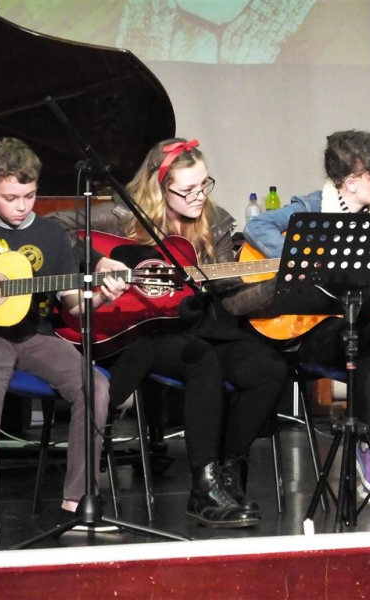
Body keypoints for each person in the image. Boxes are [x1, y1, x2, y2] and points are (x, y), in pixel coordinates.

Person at [51, 138, 289, 528]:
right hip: (148, 329)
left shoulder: (216, 221)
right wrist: (100, 260)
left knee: (270, 368)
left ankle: (226, 469)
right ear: (161, 188)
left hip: (201, 322)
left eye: (204, 184)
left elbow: (229, 302)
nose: (200, 196)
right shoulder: (123, 215)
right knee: (203, 361)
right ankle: (203, 489)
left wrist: (274, 287)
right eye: (188, 190)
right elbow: (53, 229)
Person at [0, 138, 127, 534]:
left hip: (34, 335)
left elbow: (74, 306)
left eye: (29, 196)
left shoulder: (51, 235)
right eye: (10, 198)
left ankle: (77, 502)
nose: (22, 206)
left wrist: (99, 298)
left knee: (93, 385)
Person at [244, 130, 370, 507]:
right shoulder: (312, 206)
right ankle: (369, 449)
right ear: (352, 181)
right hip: (306, 326)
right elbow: (256, 227)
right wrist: (304, 261)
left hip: (352, 320)